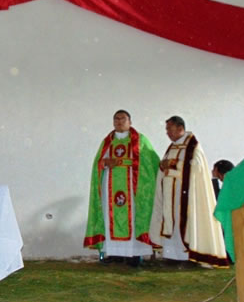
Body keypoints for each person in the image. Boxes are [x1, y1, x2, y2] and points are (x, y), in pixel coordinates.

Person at [149, 116, 229, 267]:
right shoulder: (172, 147)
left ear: (180, 128)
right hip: (171, 196)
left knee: (186, 224)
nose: (167, 133)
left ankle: (188, 257)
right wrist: (164, 165)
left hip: (187, 196)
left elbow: (196, 167)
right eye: (166, 129)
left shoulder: (193, 147)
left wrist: (173, 164)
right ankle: (172, 256)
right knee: (172, 223)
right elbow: (166, 168)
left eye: (170, 129)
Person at [84, 110, 160, 266]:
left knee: (132, 217)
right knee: (110, 216)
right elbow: (98, 163)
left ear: (130, 122)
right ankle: (115, 253)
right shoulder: (108, 141)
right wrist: (105, 163)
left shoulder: (140, 140)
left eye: (123, 119)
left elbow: (151, 162)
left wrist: (127, 163)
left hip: (133, 187)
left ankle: (134, 255)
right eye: (116, 119)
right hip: (110, 186)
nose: (119, 122)